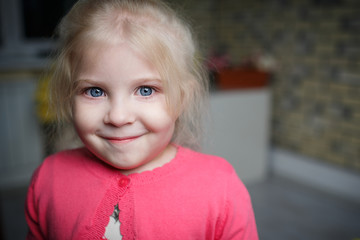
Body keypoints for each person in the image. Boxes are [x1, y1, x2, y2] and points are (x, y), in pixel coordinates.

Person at [25, 0, 258, 239]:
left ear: (183, 98)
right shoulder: (48, 179)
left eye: (145, 90)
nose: (118, 117)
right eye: (95, 91)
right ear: (69, 97)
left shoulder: (220, 187)